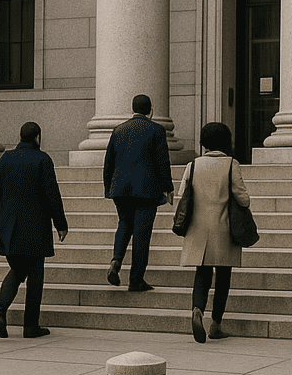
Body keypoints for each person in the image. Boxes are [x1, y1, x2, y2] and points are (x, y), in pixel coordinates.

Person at [0, 121, 68, 339]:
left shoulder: (5, 158)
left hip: (10, 228)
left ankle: (0, 311)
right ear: (38, 137)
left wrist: (0, 222)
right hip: (35, 229)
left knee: (17, 270)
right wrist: (60, 224)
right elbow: (52, 195)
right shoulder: (43, 159)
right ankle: (30, 325)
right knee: (34, 275)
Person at [176, 121, 251, 344]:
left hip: (198, 229)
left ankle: (197, 309)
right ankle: (216, 324)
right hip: (224, 228)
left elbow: (183, 194)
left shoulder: (193, 165)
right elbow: (243, 198)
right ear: (226, 141)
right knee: (223, 277)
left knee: (202, 273)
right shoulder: (231, 164)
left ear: (204, 142)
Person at [102, 93, 174, 293]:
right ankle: (136, 279)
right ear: (151, 110)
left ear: (132, 109)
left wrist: (109, 187)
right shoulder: (156, 130)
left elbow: (108, 161)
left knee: (124, 224)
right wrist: (168, 187)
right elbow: (162, 162)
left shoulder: (118, 130)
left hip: (120, 189)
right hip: (146, 190)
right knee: (142, 234)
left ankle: (116, 261)